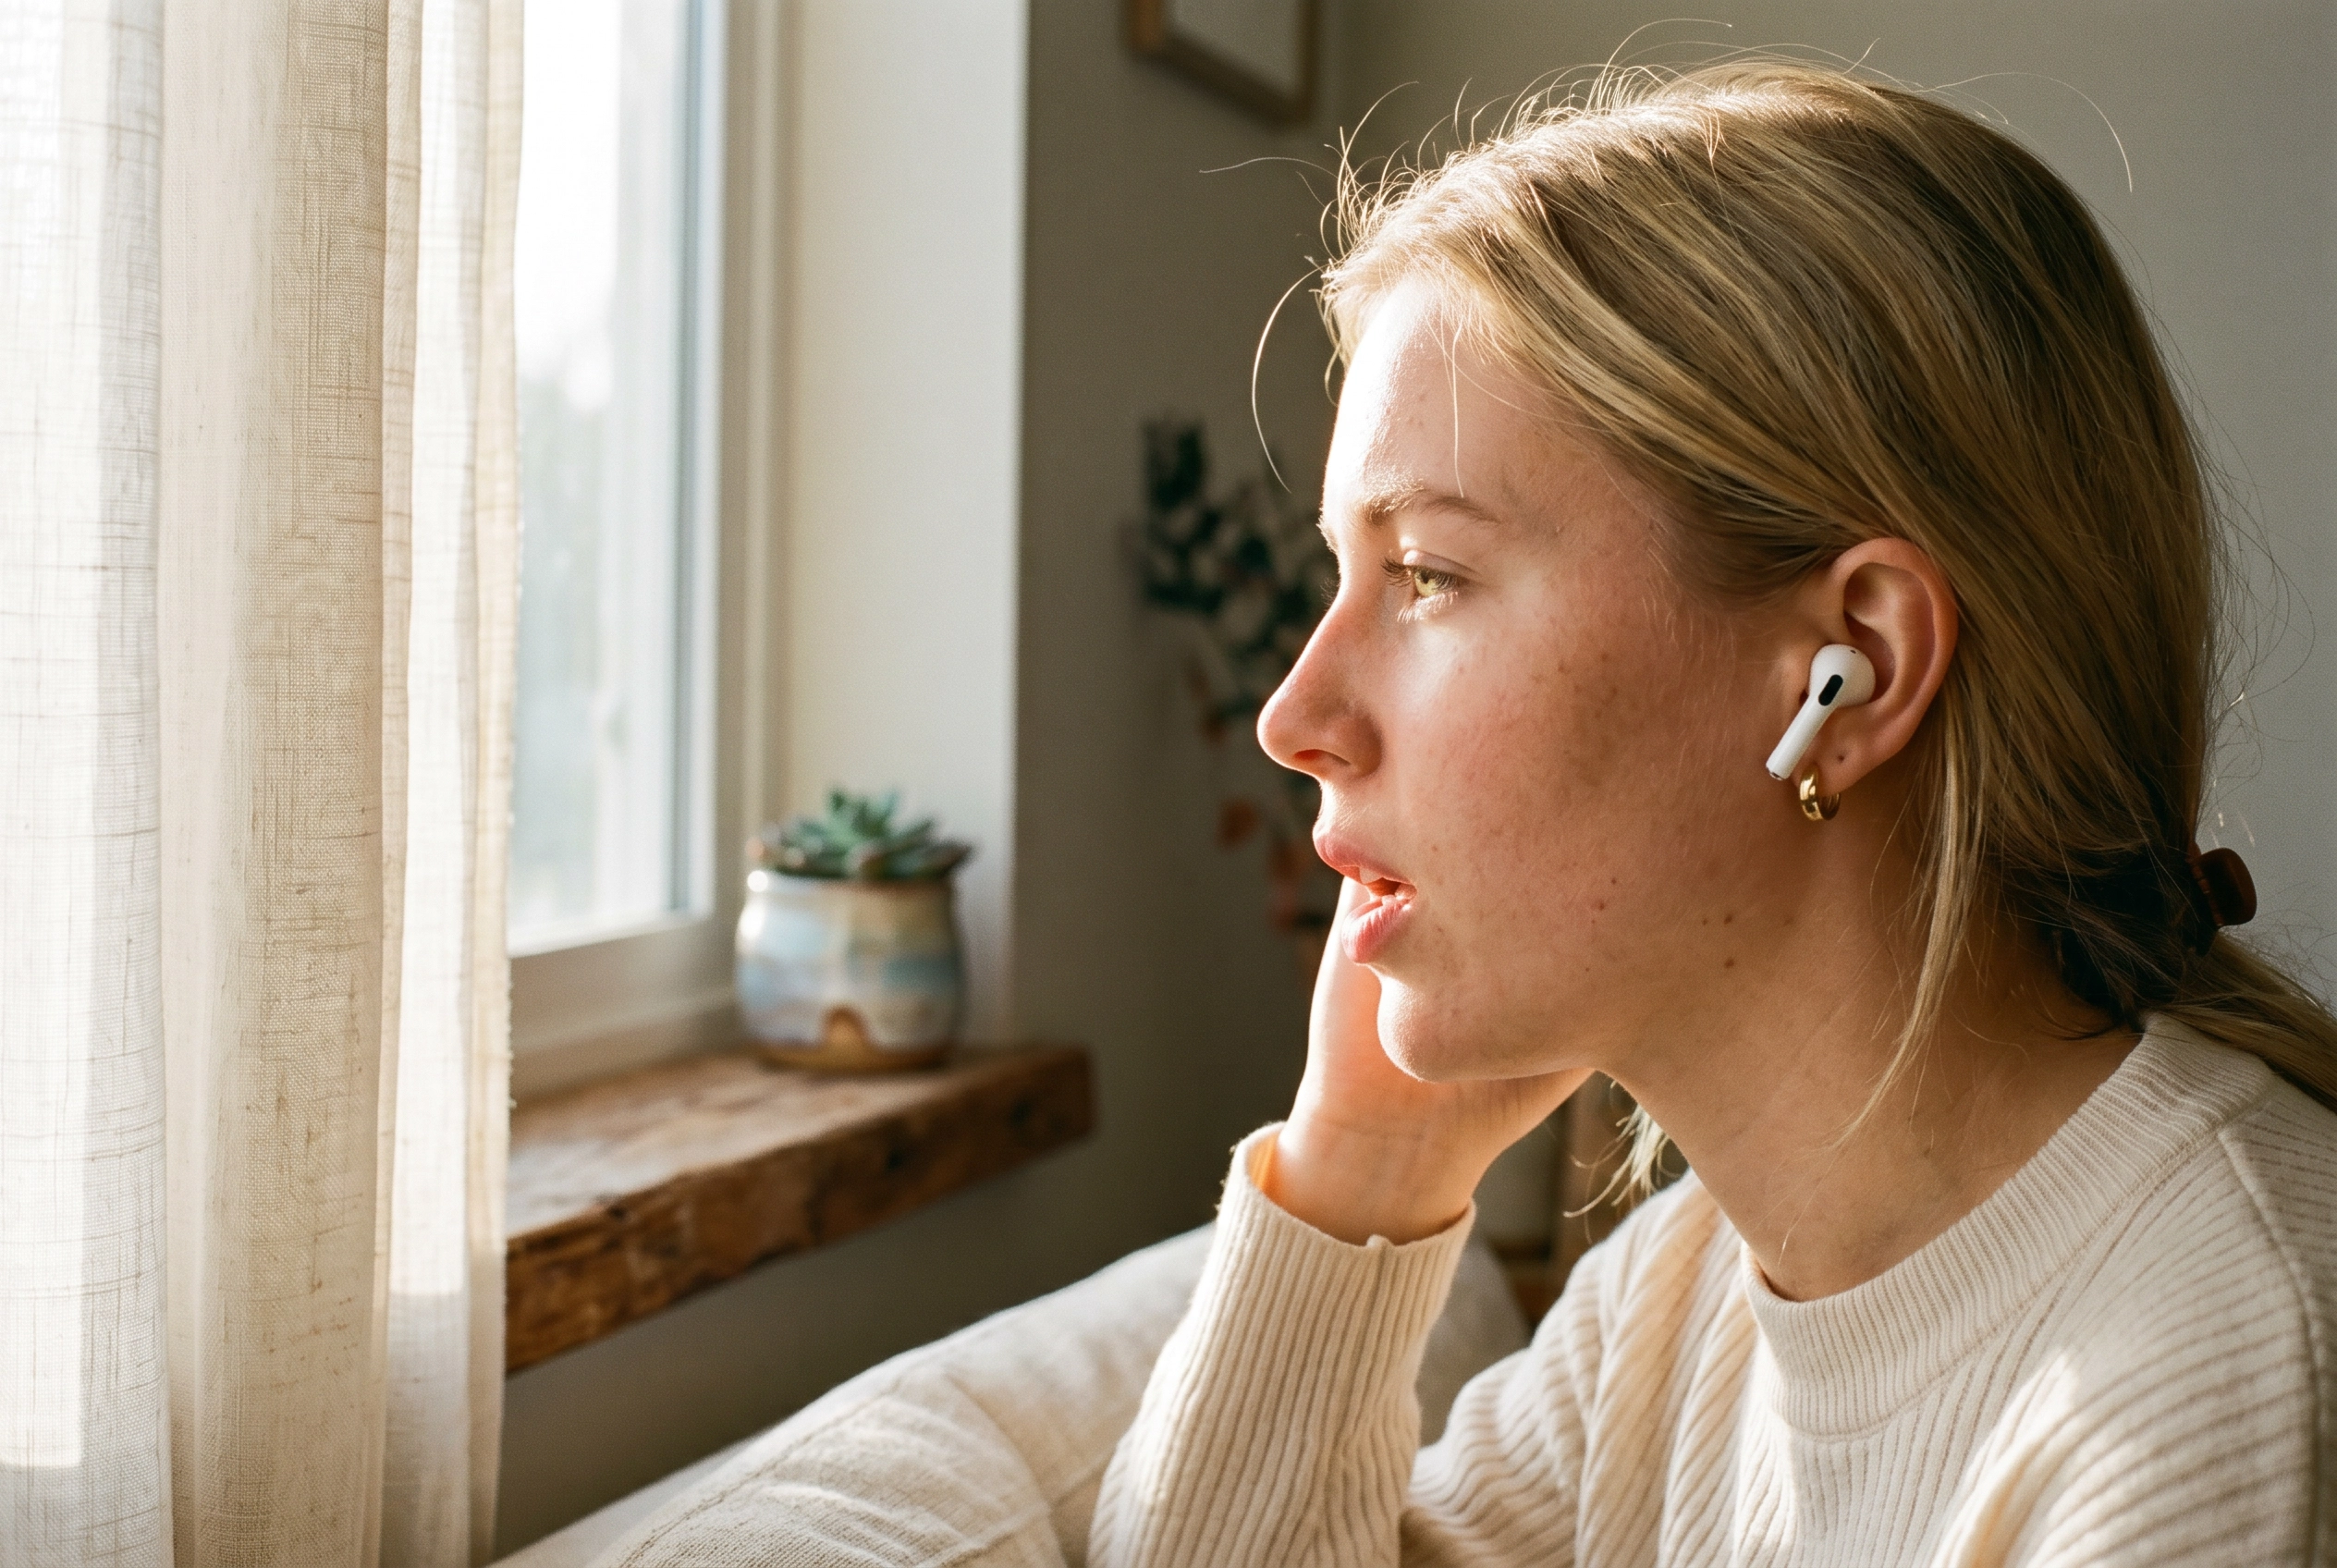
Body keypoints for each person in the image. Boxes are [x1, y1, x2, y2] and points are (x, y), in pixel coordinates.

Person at [1090, 61, 2337, 1567]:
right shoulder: (1674, 1309)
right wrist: (1362, 1165)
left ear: (1850, 668)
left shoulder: (2224, 1400)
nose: (1295, 720)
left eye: (1426, 575)